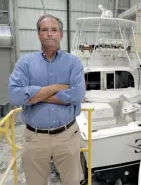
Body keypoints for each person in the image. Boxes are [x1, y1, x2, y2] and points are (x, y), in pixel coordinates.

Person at [8, 14, 86, 185]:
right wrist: (57, 87)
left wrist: (36, 96)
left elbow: (77, 95)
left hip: (67, 136)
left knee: (72, 181)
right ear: (38, 34)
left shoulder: (74, 63)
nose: (49, 33)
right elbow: (15, 96)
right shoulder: (25, 63)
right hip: (35, 138)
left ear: (61, 34)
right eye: (44, 30)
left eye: (54, 30)